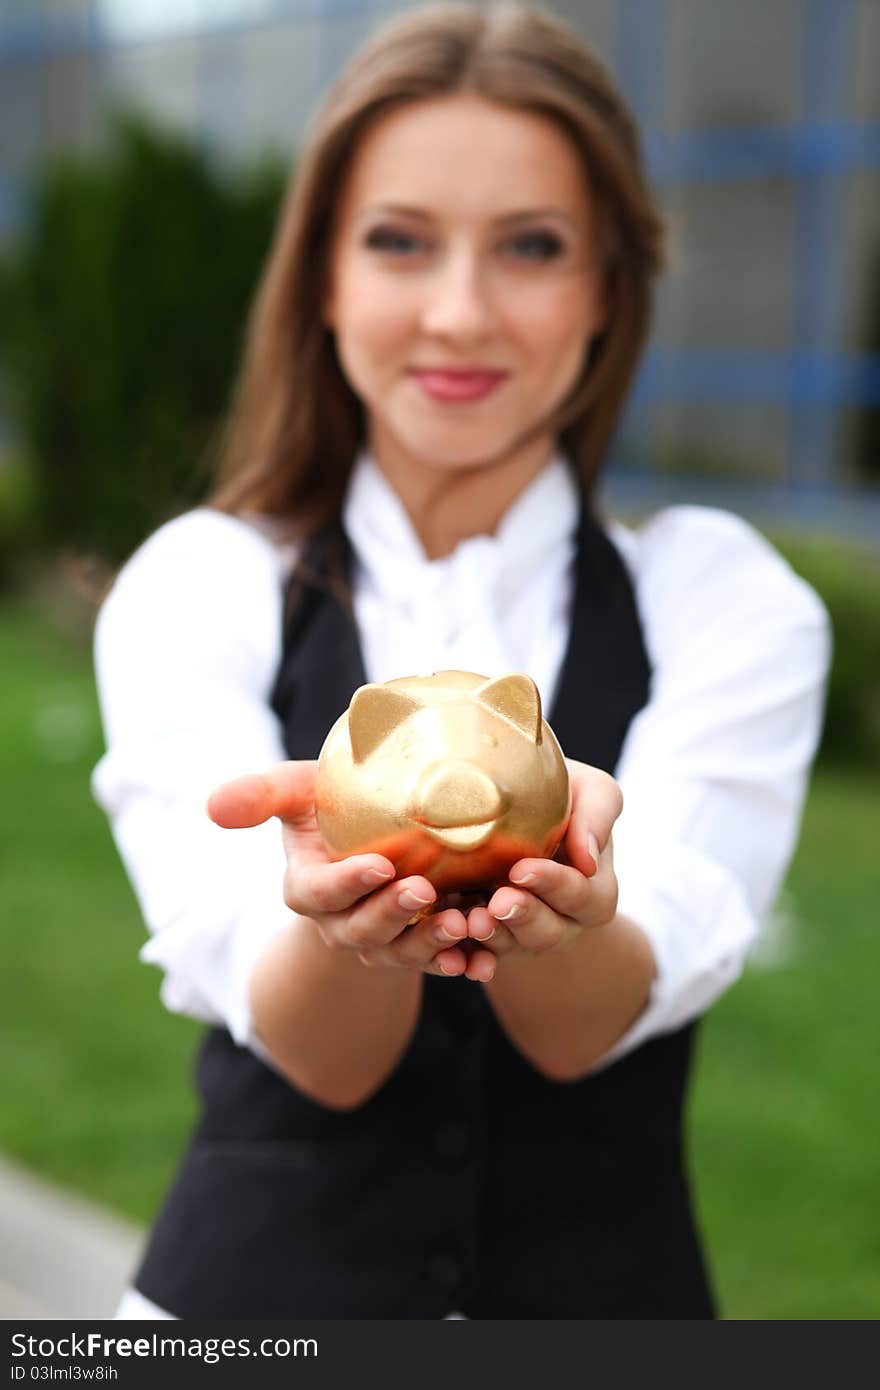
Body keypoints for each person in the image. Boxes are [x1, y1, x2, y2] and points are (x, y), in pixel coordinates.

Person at [92, 0, 831, 1319]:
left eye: (533, 247)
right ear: (324, 275)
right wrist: (340, 926)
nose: (458, 311)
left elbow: (584, 1023)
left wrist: (569, 899)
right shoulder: (203, 585)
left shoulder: (723, 605)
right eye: (399, 242)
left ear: (609, 286)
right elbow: (319, 1058)